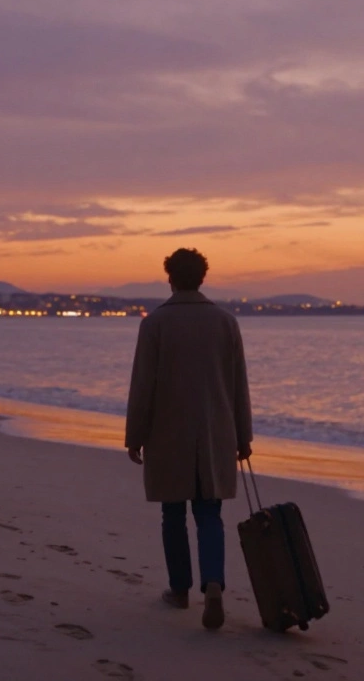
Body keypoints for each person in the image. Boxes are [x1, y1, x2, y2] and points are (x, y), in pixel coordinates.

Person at [124, 248, 253, 630]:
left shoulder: (155, 324)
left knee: (173, 513)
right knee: (209, 513)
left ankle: (179, 590)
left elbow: (143, 386)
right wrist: (243, 435)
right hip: (214, 432)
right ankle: (212, 583)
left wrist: (135, 435)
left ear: (170, 278)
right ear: (202, 277)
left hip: (168, 433)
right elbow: (237, 386)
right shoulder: (225, 322)